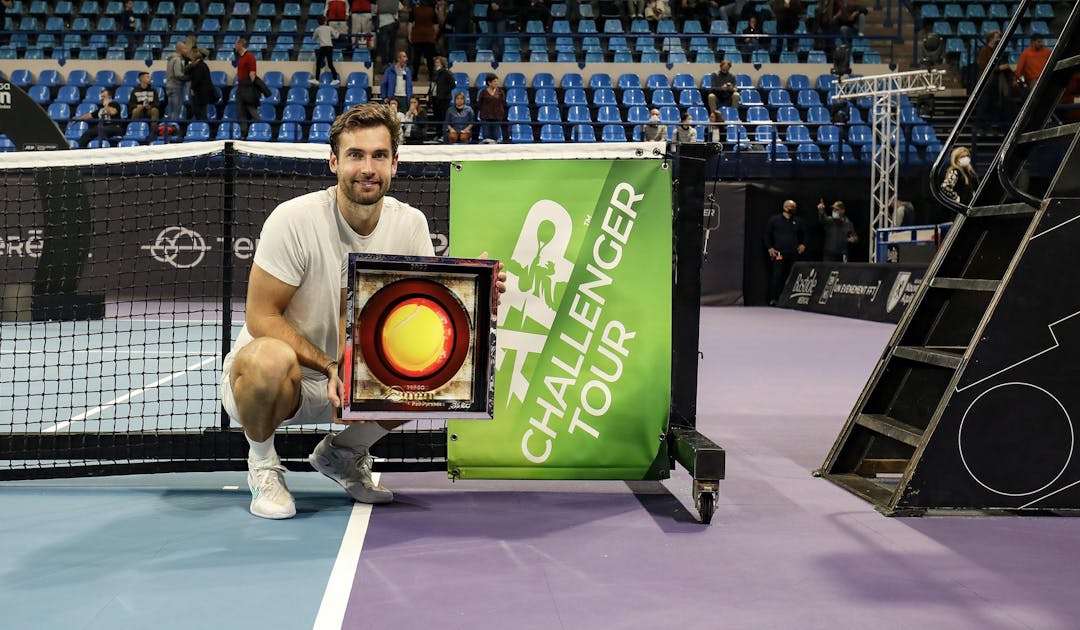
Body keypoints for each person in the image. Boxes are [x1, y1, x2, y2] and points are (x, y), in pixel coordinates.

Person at [219, 103, 505, 520]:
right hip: (281, 383)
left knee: (455, 368)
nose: (367, 167)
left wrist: (474, 304)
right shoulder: (294, 220)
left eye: (378, 156)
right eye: (355, 155)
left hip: (360, 383)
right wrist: (330, 364)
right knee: (268, 357)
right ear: (334, 161)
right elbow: (261, 318)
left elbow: (425, 320)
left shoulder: (410, 224)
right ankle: (263, 463)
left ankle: (344, 452)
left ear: (395, 164)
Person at [764, 199, 806, 306]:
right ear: (785, 208)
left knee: (793, 275)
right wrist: (770, 248)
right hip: (779, 253)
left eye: (794, 207)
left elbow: (805, 234)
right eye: (790, 207)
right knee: (777, 275)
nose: (793, 209)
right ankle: (774, 298)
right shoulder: (775, 219)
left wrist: (803, 244)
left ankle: (790, 299)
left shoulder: (798, 220)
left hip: (793, 253)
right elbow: (766, 234)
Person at [976, 30, 1014, 127]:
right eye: (997, 37)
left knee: (994, 104)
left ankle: (991, 124)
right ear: (991, 38)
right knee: (985, 103)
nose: (999, 39)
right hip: (987, 81)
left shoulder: (996, 51)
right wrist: (999, 68)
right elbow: (982, 65)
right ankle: (981, 125)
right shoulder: (984, 50)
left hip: (995, 81)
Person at [234, 37, 262, 136]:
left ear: (240, 44)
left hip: (247, 88)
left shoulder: (249, 56)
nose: (234, 46)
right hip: (241, 88)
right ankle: (244, 133)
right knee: (240, 112)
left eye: (236, 44)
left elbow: (252, 73)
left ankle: (261, 130)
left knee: (251, 110)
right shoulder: (240, 57)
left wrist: (249, 87)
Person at [408, 0, 439, 80]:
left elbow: (410, 23)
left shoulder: (415, 10)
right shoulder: (431, 11)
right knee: (429, 57)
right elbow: (436, 25)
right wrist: (434, 35)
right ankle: (431, 76)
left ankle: (414, 76)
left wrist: (409, 35)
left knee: (416, 57)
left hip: (417, 36)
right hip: (429, 36)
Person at [187, 47, 218, 121]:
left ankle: (203, 127)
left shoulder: (199, 66)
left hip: (200, 94)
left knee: (200, 114)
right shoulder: (202, 65)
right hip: (202, 94)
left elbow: (197, 79)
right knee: (200, 113)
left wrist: (192, 87)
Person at [476, 73, 507, 143]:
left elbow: (503, 103)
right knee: (486, 137)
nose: (496, 83)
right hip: (486, 117)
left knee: (495, 137)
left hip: (497, 117)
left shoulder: (500, 92)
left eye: (497, 81)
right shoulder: (483, 92)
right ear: (489, 82)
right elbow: (479, 104)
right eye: (495, 81)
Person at [165, 41, 189, 120]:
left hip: (169, 86)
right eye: (185, 48)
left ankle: (168, 129)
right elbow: (178, 74)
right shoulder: (177, 60)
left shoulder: (170, 59)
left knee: (170, 110)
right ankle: (173, 128)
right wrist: (187, 77)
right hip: (176, 87)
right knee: (176, 110)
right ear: (180, 49)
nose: (186, 50)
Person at [314, 17, 342, 84]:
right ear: (325, 22)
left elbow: (313, 38)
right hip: (329, 47)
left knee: (318, 64)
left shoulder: (317, 29)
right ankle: (335, 79)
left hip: (323, 47)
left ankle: (317, 79)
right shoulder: (329, 28)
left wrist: (320, 36)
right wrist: (338, 32)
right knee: (330, 64)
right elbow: (336, 36)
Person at [428, 56, 454, 128]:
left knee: (443, 116)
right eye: (435, 62)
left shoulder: (447, 73)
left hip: (444, 99)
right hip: (435, 98)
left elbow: (453, 84)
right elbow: (432, 85)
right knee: (436, 116)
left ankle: (443, 134)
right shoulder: (435, 73)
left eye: (437, 62)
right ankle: (438, 133)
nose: (436, 64)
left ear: (442, 63)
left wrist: (443, 92)